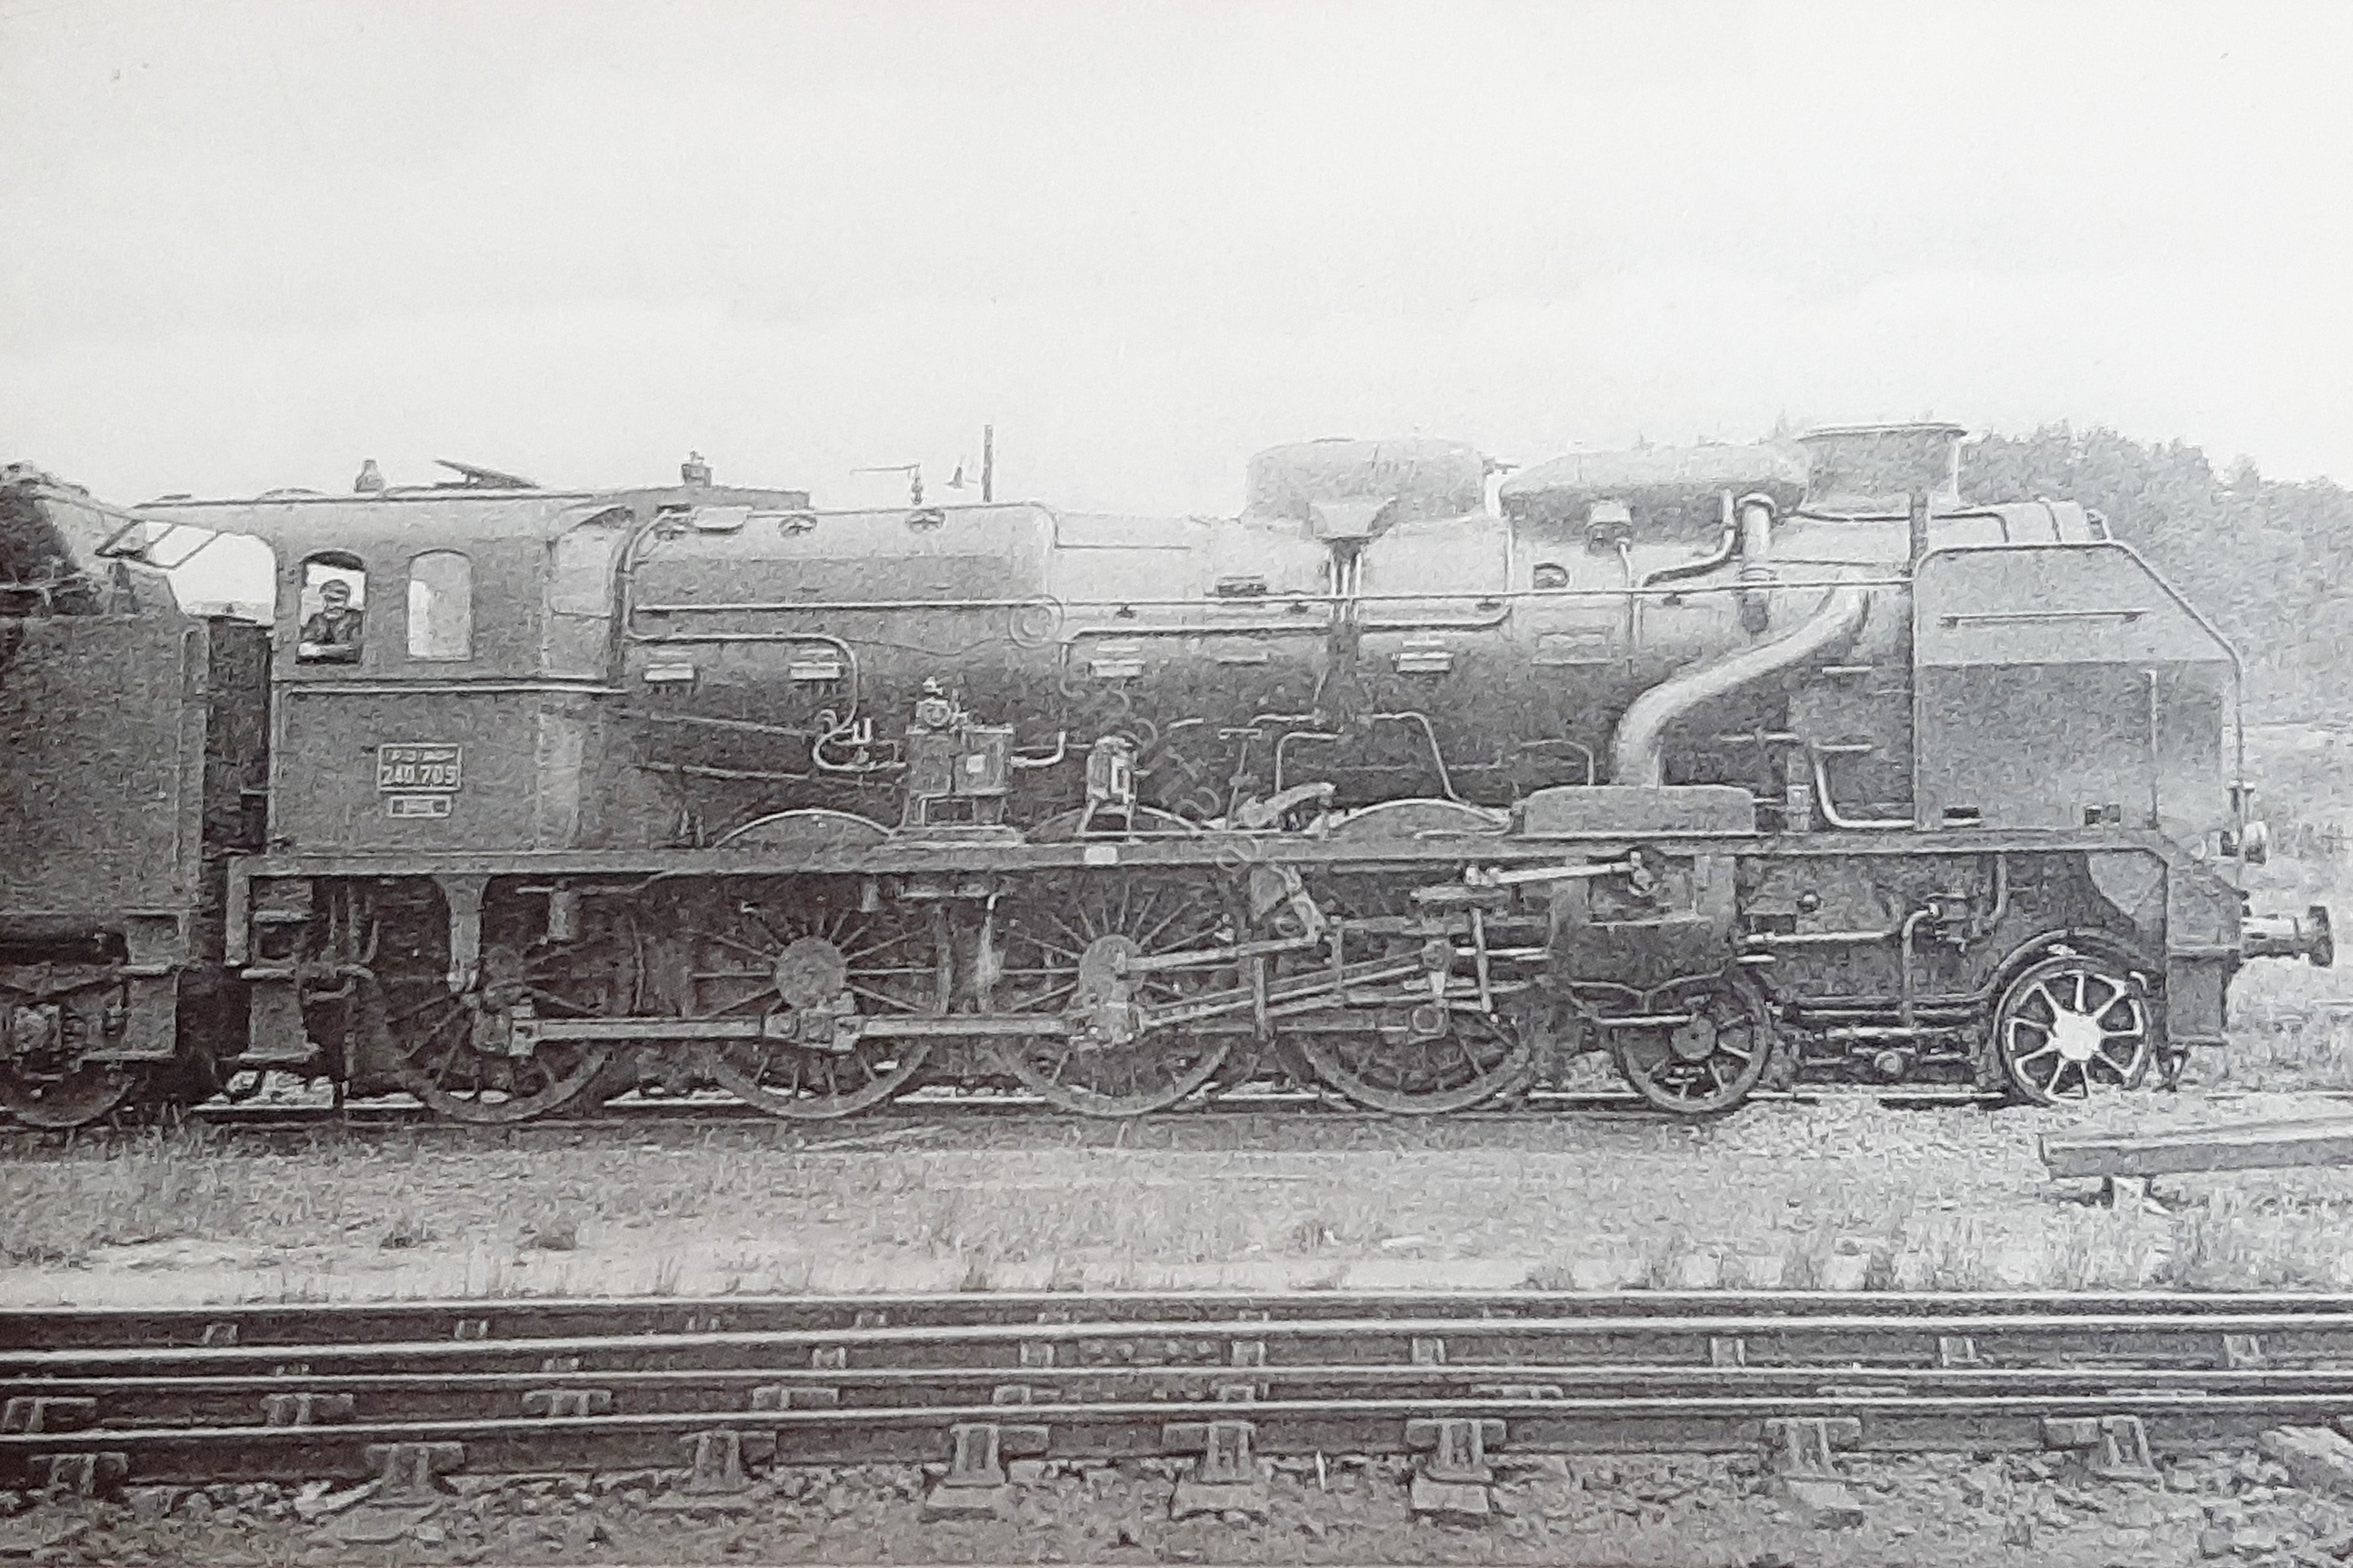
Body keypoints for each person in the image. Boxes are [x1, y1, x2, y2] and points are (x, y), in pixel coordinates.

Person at [299, 578, 363, 661]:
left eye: (335, 600)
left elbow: (356, 649)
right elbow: (304, 648)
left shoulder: (356, 619)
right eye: (326, 600)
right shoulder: (318, 619)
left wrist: (320, 650)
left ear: (347, 601)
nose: (330, 606)